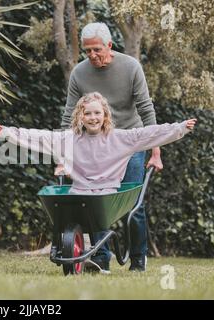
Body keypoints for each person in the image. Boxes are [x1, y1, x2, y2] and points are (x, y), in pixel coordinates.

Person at [0, 92, 196, 273]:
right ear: (80, 116)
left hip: (106, 193)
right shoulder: (70, 139)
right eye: (87, 113)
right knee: (78, 209)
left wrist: (179, 128)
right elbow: (39, 137)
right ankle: (86, 253)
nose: (92, 118)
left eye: (97, 113)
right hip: (79, 192)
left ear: (105, 115)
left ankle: (100, 259)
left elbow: (150, 133)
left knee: (96, 210)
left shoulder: (119, 138)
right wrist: (6, 132)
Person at [58, 22, 161, 272]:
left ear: (109, 46)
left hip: (129, 142)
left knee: (132, 204)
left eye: (97, 50)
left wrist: (156, 151)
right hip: (96, 144)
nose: (92, 55)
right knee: (95, 201)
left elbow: (146, 110)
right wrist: (63, 156)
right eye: (87, 51)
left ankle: (138, 258)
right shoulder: (80, 74)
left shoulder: (130, 67)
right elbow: (68, 116)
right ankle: (101, 259)